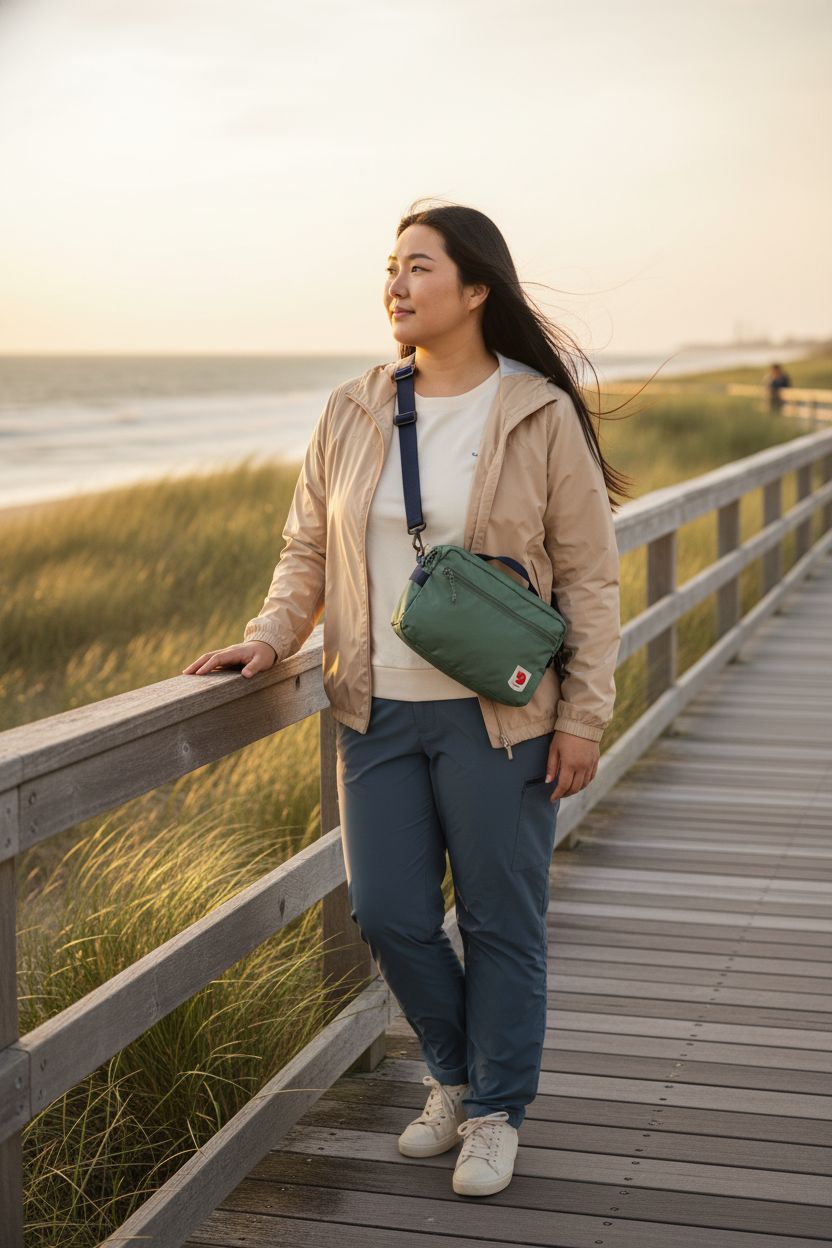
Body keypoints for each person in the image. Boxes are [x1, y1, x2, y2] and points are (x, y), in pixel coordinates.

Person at [182, 200, 627, 1198]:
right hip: (373, 710)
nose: (395, 284)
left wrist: (584, 718)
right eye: (390, 267)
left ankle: (495, 1113)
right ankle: (458, 1075)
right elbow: (307, 550)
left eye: (418, 267)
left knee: (502, 919)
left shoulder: (536, 414)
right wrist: (265, 639)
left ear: (475, 290)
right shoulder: (352, 409)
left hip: (499, 716)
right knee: (386, 911)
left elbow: (590, 579)